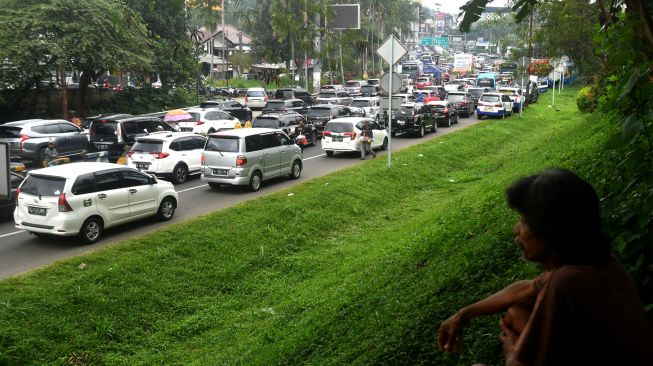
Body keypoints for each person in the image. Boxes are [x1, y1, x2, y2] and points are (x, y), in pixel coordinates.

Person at [438, 168, 652, 366]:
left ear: (550, 231)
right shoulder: (600, 262)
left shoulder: (564, 283)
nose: (516, 229)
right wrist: (464, 314)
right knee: (516, 312)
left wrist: (513, 352)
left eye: (523, 221)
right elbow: (525, 290)